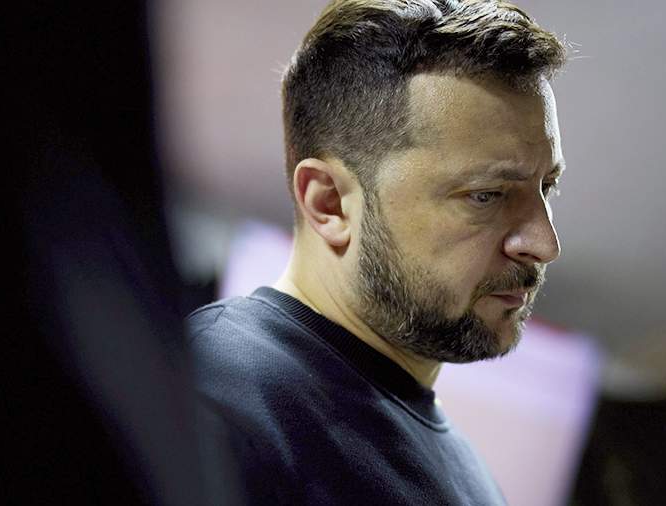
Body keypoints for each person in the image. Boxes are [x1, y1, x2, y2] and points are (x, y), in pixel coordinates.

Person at [186, 0, 567, 503]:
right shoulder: (210, 395)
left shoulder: (473, 478)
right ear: (329, 203)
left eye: (547, 187)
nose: (544, 245)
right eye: (487, 195)